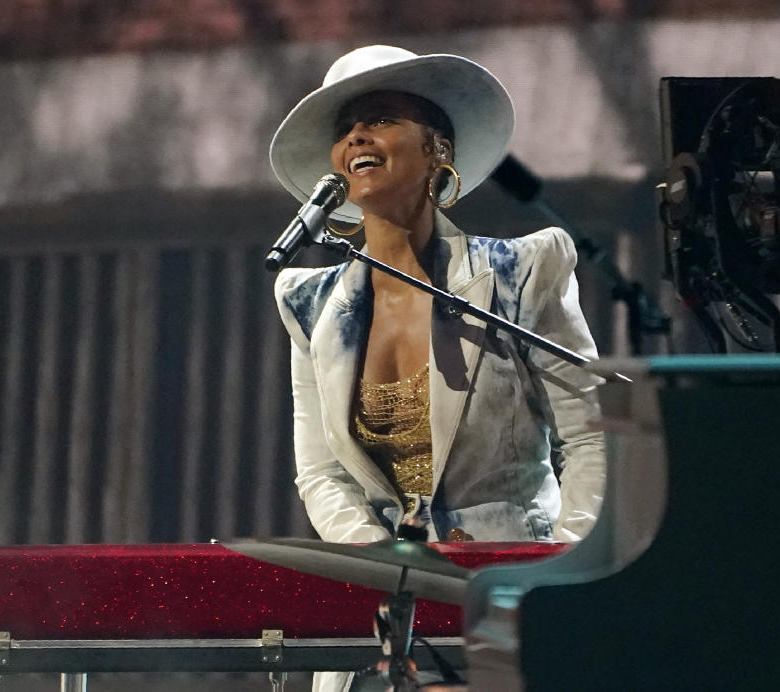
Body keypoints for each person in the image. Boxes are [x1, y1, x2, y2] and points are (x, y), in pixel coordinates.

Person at [270, 46, 605, 690]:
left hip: (511, 606)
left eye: (381, 118)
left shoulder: (521, 272)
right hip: (381, 622)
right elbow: (320, 474)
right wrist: (383, 569)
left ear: (438, 151)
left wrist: (555, 577)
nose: (358, 136)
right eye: (346, 128)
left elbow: (589, 435)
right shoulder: (307, 301)